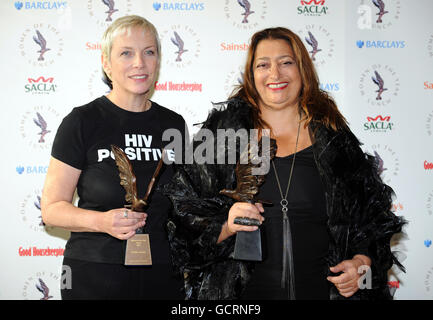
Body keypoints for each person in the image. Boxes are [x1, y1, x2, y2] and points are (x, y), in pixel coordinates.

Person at [162, 27, 405, 300]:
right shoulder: (222, 137)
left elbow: (373, 220)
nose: (275, 74)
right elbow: (181, 224)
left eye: (286, 62)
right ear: (252, 75)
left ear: (302, 69)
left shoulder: (334, 139)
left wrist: (361, 263)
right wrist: (226, 225)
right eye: (263, 65)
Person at [41, 15, 185, 300]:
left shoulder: (174, 124)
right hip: (94, 274)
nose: (139, 63)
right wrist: (102, 222)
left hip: (162, 273)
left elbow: (182, 206)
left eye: (149, 52)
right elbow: (52, 210)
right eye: (126, 53)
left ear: (158, 60)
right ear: (106, 63)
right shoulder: (82, 121)